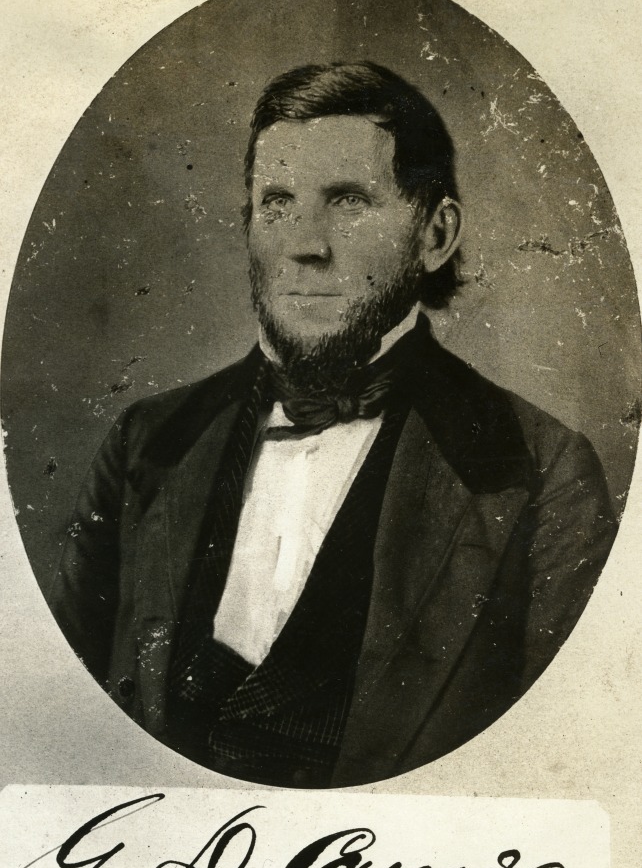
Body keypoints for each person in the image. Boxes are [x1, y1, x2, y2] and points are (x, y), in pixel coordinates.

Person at [50, 62, 617, 788]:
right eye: (277, 203)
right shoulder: (146, 440)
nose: (304, 245)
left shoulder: (543, 472)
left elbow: (564, 773)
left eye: (348, 201)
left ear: (435, 234)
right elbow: (63, 727)